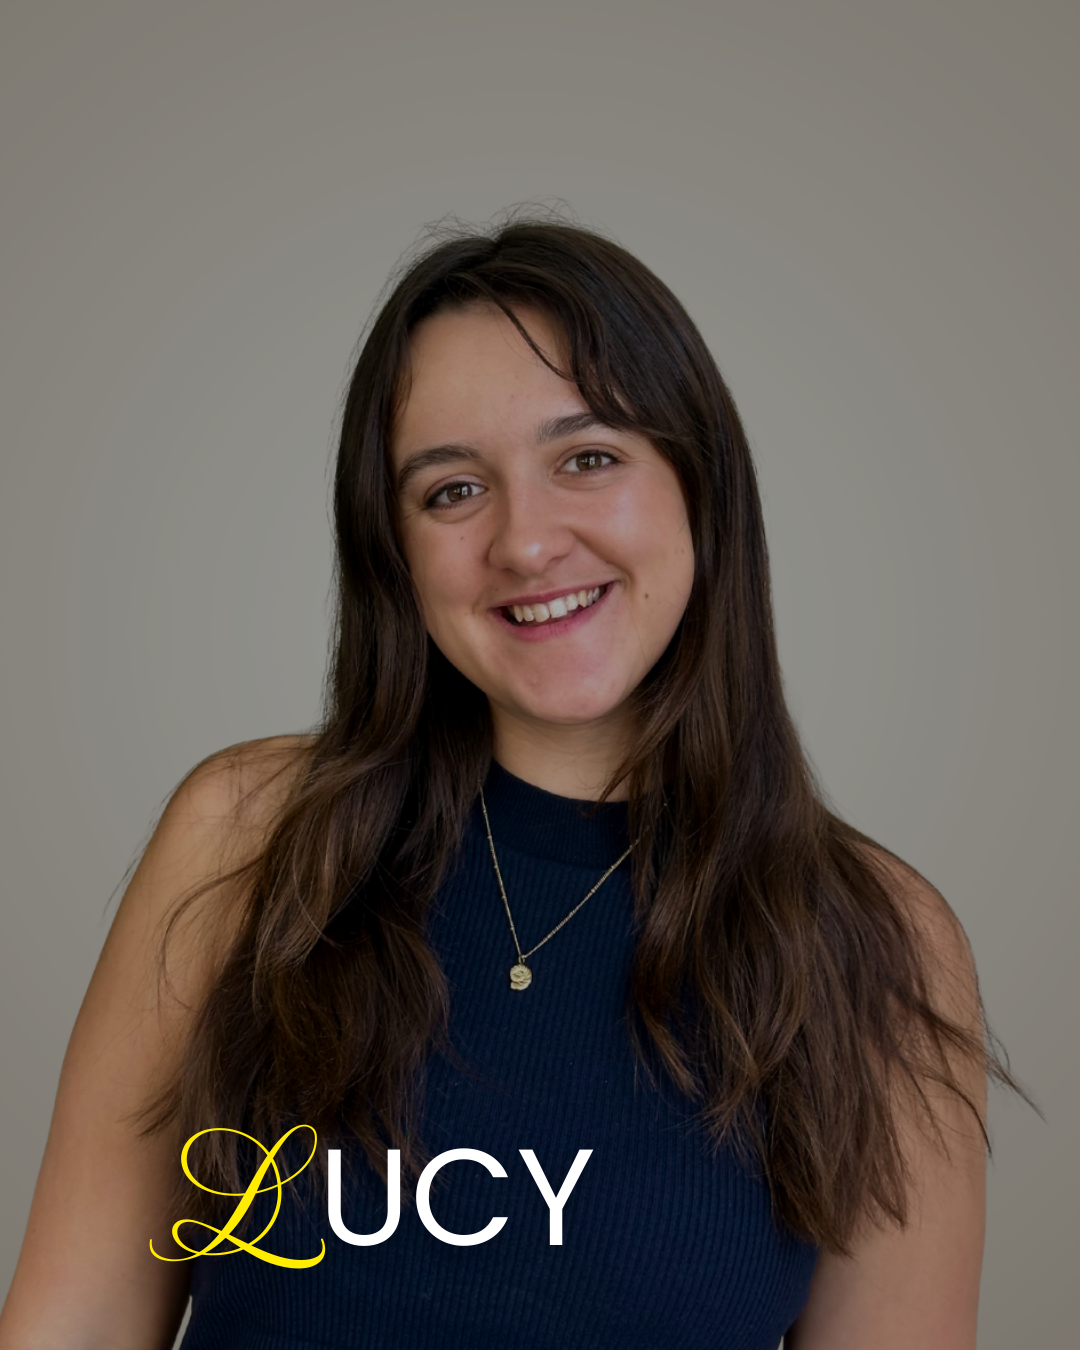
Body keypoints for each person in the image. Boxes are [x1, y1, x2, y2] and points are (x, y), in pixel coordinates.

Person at [0, 216, 1029, 1349]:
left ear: (698, 483)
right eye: (451, 490)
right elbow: (76, 1324)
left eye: (587, 458)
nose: (526, 541)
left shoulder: (878, 945)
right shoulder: (249, 844)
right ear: (392, 550)